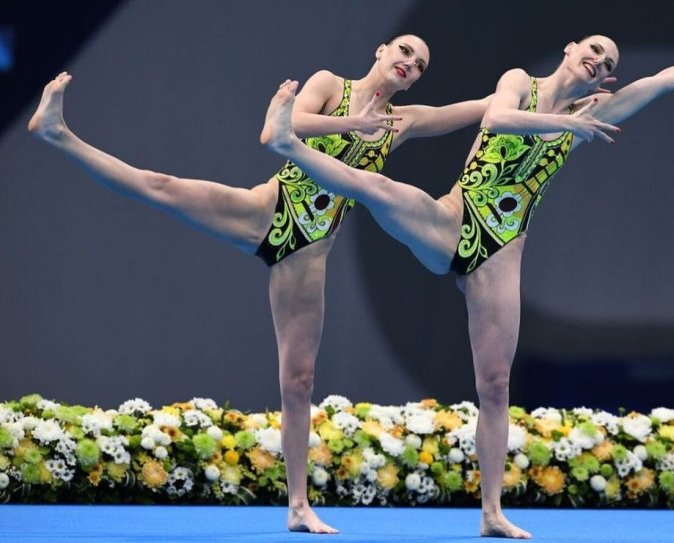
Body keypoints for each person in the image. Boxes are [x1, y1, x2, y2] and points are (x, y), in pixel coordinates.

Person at [259, 26, 674, 538]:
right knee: (378, 187)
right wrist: (567, 127)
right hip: (452, 222)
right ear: (570, 49)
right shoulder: (520, 82)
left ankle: (491, 512)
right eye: (595, 51)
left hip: (501, 252)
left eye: (609, 66)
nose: (600, 63)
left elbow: (665, 80)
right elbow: (499, 118)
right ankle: (291, 144)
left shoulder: (594, 112)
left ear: (604, 81)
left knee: (494, 385)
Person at [28, 34, 493, 534]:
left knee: (298, 382)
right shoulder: (329, 84)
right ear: (381, 51)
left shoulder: (402, 121)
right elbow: (280, 127)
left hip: (310, 253)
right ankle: (58, 134)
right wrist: (353, 122)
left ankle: (297, 507)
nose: (410, 64)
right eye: (404, 52)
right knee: (158, 186)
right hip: (265, 212)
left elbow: (482, 107)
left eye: (420, 65)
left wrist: (564, 98)